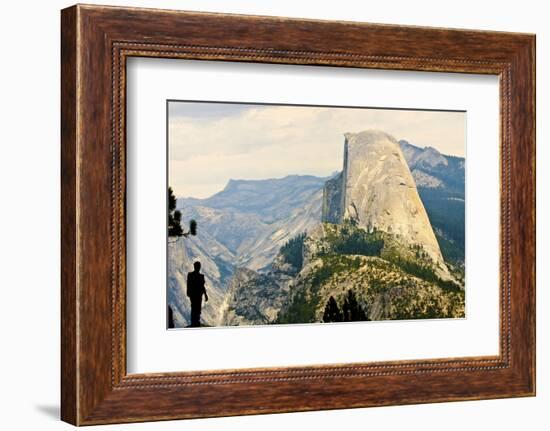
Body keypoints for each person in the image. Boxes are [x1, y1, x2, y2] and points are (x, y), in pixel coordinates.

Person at [186, 261, 208, 327]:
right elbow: (189, 284)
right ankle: (194, 322)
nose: (197, 268)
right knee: (195, 308)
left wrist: (205, 294)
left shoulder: (195, 275)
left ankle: (195, 322)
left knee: (197, 308)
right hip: (195, 295)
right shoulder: (196, 276)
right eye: (197, 266)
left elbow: (202, 286)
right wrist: (205, 294)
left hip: (197, 295)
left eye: (198, 266)